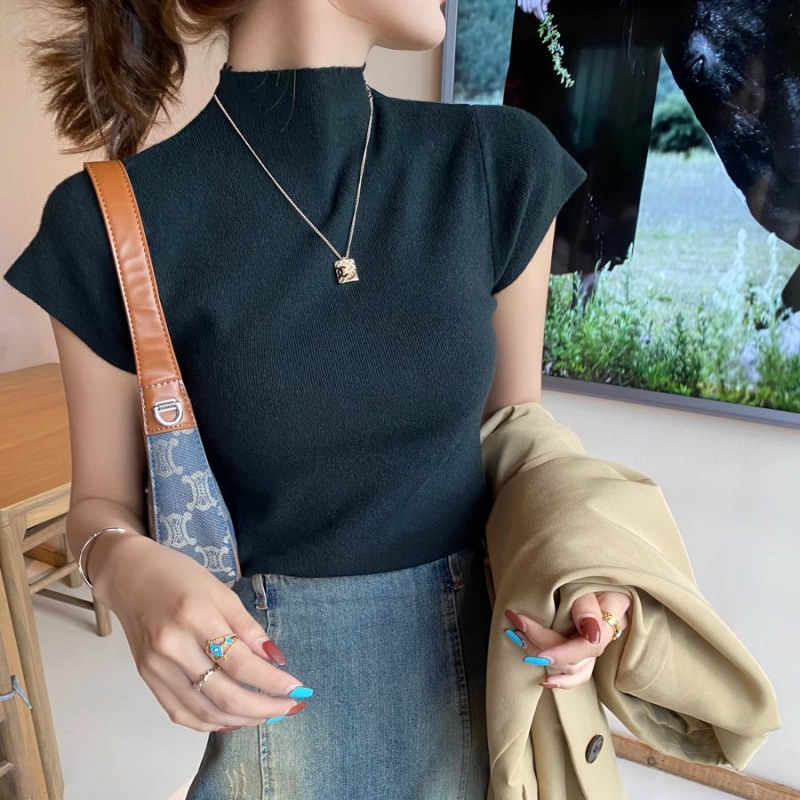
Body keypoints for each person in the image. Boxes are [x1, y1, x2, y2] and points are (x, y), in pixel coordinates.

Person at [3, 0, 632, 796]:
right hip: (280, 739)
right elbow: (99, 504)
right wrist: (123, 567)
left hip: (497, 716)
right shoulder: (107, 223)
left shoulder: (497, 163)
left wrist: (576, 563)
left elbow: (516, 438)